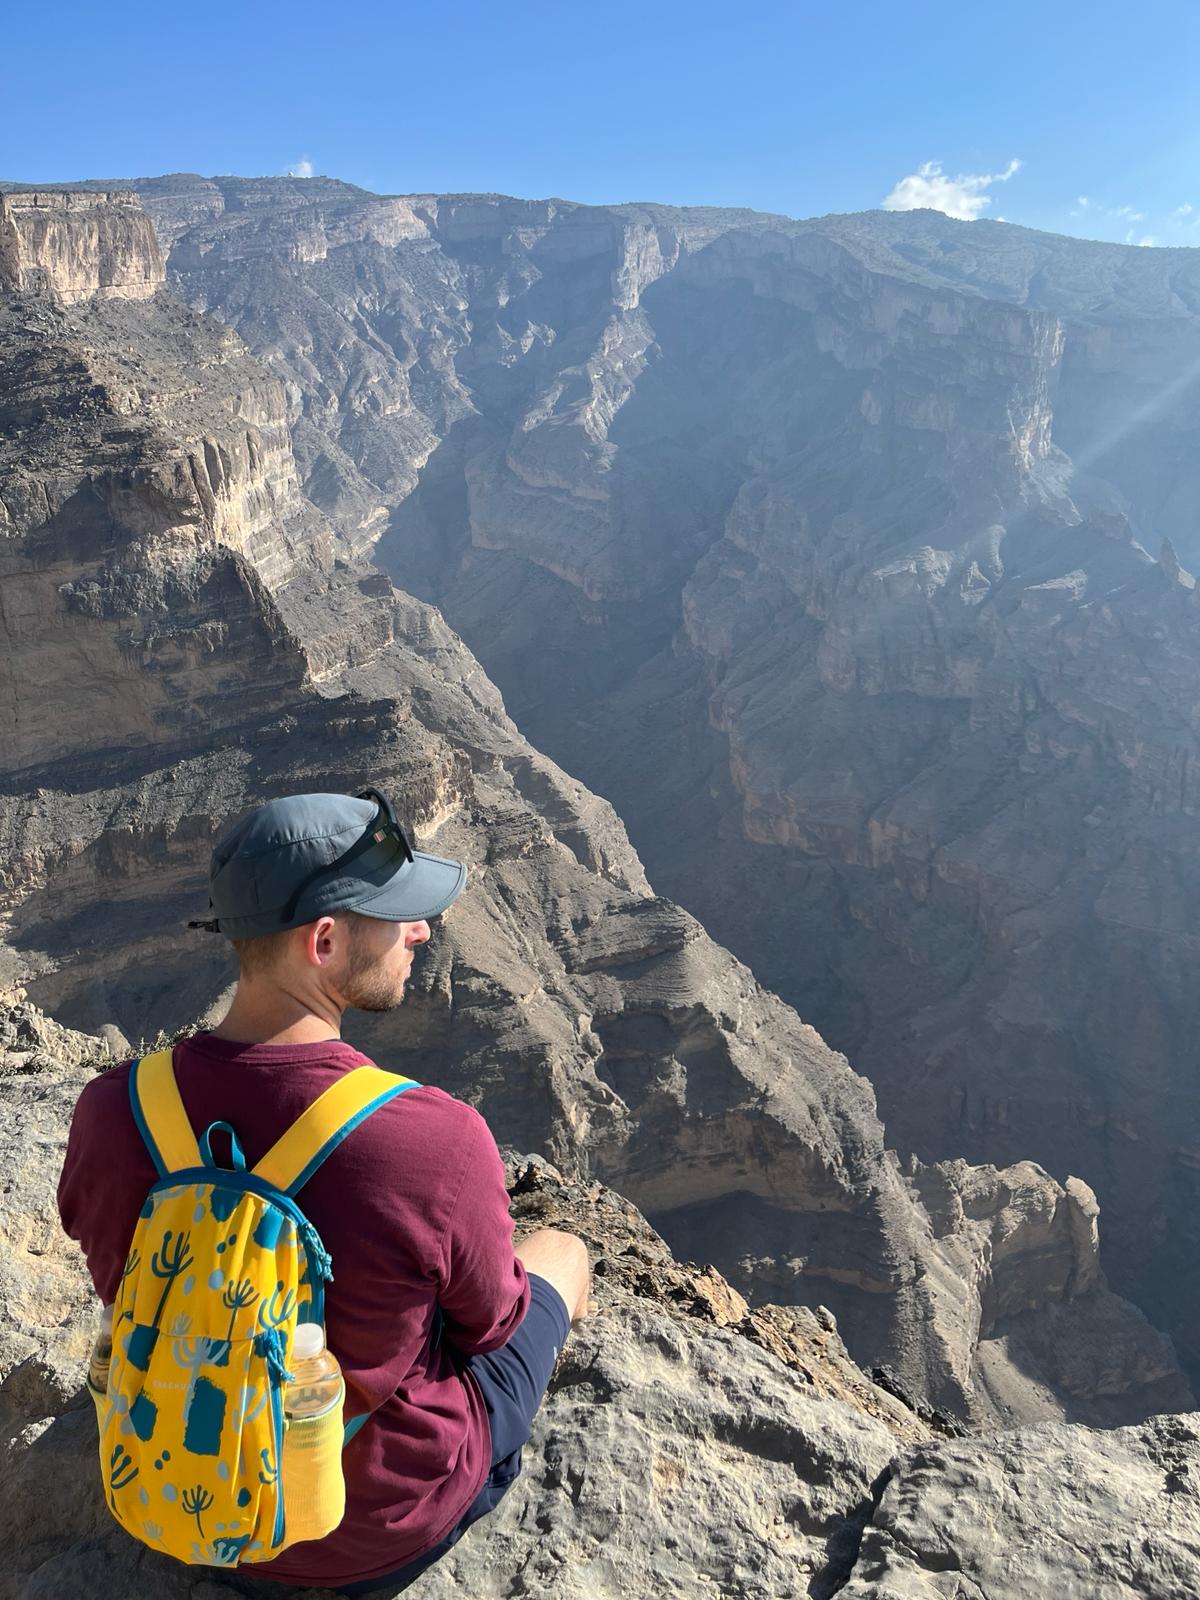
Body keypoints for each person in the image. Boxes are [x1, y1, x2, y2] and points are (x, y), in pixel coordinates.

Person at [56, 788, 591, 1594]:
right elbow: (489, 1327)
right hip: (365, 1537)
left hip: (169, 1502)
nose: (423, 930)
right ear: (326, 940)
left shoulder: (110, 1108)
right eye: (400, 913)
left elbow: (117, 1276)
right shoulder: (436, 1140)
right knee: (564, 1253)